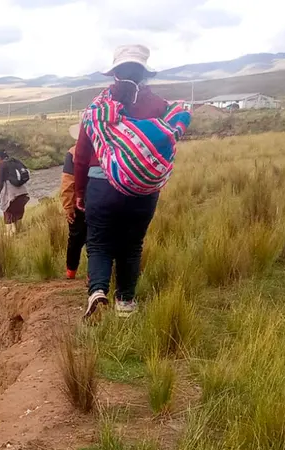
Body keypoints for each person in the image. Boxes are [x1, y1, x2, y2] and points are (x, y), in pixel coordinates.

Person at [73, 45, 191, 318]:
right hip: (143, 189)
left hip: (101, 186)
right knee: (131, 245)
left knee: (99, 243)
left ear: (114, 73)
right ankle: (125, 303)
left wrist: (80, 191)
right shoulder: (159, 105)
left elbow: (81, 155)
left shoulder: (98, 108)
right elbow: (166, 143)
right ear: (145, 73)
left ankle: (98, 290)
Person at [61, 124, 86, 280]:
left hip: (79, 202)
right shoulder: (105, 150)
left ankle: (71, 272)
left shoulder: (72, 153)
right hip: (102, 200)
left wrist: (68, 207)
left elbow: (68, 182)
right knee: (97, 240)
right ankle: (95, 277)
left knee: (75, 239)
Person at [0, 150, 31, 235]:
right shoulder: (15, 161)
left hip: (11, 194)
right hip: (23, 193)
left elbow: (0, 182)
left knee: (7, 212)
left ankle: (9, 235)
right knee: (18, 213)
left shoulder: (2, 164)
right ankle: (18, 232)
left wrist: (0, 194)